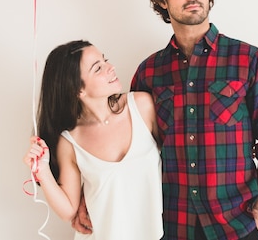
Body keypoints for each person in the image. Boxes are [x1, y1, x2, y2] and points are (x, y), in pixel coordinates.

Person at [72, 0, 258, 240]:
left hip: (235, 227)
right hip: (172, 227)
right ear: (163, 1)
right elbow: (126, 147)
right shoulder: (149, 73)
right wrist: (88, 196)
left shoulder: (250, 62)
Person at [23, 40, 163, 240]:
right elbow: (69, 211)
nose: (111, 68)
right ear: (78, 89)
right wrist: (43, 170)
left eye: (105, 61)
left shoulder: (142, 106)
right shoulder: (70, 141)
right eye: (98, 68)